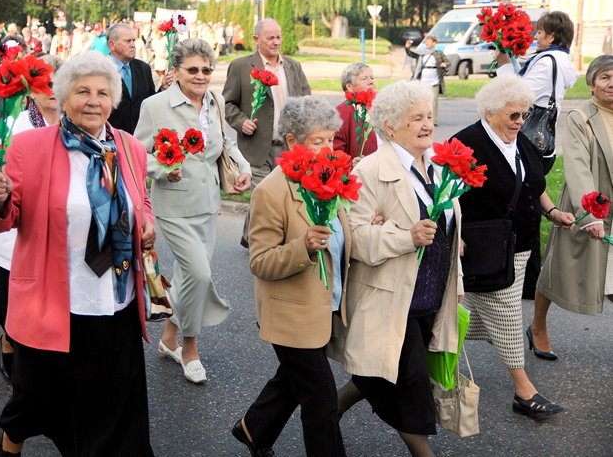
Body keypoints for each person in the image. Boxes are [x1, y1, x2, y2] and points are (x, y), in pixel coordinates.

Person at [0, 51, 157, 456]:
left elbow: (140, 202)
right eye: (82, 91)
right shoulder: (30, 147)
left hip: (116, 301)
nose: (94, 100)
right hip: (56, 301)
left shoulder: (130, 148)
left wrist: (147, 222)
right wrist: (0, 199)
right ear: (62, 97)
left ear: (114, 99)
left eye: (103, 92)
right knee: (37, 397)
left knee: (111, 408)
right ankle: (11, 440)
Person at [336, 80, 461, 457]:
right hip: (391, 299)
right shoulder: (370, 170)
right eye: (416, 119)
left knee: (381, 370)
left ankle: (328, 410)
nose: (427, 125)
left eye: (429, 117)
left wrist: (454, 239)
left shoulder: (439, 165)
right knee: (411, 386)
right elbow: (355, 239)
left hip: (431, 295)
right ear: (390, 126)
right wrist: (406, 236)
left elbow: (449, 218)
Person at [232, 96, 349, 457]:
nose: (328, 148)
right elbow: (261, 260)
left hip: (325, 306)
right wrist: (303, 247)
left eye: (331, 140)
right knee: (322, 398)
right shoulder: (271, 190)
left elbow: (341, 236)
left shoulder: (328, 179)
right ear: (294, 142)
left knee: (292, 380)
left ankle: (254, 429)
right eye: (319, 141)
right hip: (291, 312)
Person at [453, 75, 573, 419]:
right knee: (505, 313)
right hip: (485, 245)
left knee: (477, 313)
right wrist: (455, 232)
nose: (520, 122)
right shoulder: (466, 143)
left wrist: (552, 211)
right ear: (490, 113)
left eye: (524, 115)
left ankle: (424, 361)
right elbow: (445, 195)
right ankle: (524, 391)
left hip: (520, 243)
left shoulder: (520, 141)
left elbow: (533, 184)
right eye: (514, 116)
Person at [134, 38, 251, 384]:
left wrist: (242, 166)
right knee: (199, 275)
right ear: (176, 71)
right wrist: (162, 168)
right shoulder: (155, 106)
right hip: (173, 205)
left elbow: (225, 144)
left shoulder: (213, 101)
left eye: (206, 69)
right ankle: (190, 346)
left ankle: (169, 336)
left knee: (188, 278)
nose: (201, 76)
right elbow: (138, 155)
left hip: (208, 204)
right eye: (193, 70)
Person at [0, 55, 63, 383]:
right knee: (12, 305)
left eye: (56, 84)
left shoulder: (74, 124)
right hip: (13, 232)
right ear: (31, 91)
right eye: (44, 84)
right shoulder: (16, 124)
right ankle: (9, 338)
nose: (51, 91)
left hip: (54, 234)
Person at [531, 55, 613, 361]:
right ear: (592, 85)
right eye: (605, 77)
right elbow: (578, 168)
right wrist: (591, 214)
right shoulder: (581, 118)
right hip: (586, 206)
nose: (612, 83)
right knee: (557, 271)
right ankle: (537, 326)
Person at [495, 10, 579, 301]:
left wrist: (505, 64)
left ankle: (528, 279)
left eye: (539, 32)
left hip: (529, 143)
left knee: (525, 211)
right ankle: (529, 278)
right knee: (528, 208)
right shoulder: (560, 60)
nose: (534, 36)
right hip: (543, 144)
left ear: (552, 35)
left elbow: (520, 94)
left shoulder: (547, 61)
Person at [222, 18, 311, 249]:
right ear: (256, 39)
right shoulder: (242, 66)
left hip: (289, 147)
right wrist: (241, 122)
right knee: (262, 195)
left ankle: (248, 236)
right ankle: (263, 247)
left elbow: (307, 100)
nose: (276, 42)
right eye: (270, 38)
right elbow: (228, 104)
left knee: (282, 195)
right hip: (256, 147)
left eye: (278, 37)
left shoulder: (292, 66)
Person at [107, 23, 167, 134]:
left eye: (133, 40)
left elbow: (150, 103)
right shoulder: (101, 71)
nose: (133, 45)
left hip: (140, 140)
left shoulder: (143, 69)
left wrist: (163, 88)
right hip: (112, 141)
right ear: (112, 45)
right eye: (127, 41)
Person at [333, 62, 378, 158]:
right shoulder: (340, 114)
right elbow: (336, 154)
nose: (371, 82)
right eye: (364, 78)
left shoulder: (381, 108)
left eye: (372, 78)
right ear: (349, 87)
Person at [406, 35, 448, 126]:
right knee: (421, 100)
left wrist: (445, 64)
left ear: (434, 43)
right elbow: (411, 54)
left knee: (434, 101)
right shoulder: (422, 53)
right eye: (426, 42)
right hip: (423, 81)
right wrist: (407, 48)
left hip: (435, 81)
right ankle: (420, 118)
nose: (427, 43)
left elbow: (448, 62)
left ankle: (434, 120)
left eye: (429, 42)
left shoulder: (439, 53)